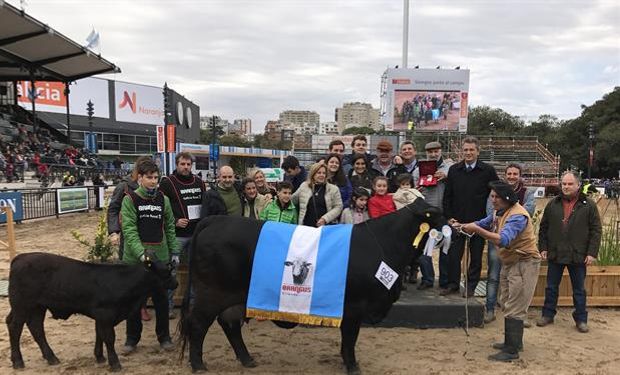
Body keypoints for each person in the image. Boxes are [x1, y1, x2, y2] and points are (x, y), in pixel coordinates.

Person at [459, 181, 541, 362]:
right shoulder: (499, 211)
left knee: (515, 304)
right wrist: (462, 225)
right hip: (511, 262)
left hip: (524, 263)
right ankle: (513, 342)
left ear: (506, 198)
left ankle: (511, 351)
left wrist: (476, 230)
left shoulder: (518, 216)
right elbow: (482, 223)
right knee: (506, 301)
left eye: (496, 197)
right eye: (492, 196)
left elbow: (503, 239)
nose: (493, 200)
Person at [120, 158, 178, 354]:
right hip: (136, 260)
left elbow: (170, 226)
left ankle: (164, 338)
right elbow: (129, 230)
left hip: (160, 258)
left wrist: (174, 251)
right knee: (134, 303)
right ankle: (131, 339)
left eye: (156, 177)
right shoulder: (130, 199)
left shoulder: (164, 199)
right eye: (149, 177)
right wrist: (141, 254)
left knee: (161, 301)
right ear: (140, 178)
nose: (153, 181)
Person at [536, 171, 602, 333]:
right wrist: (543, 247)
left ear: (578, 185)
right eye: (564, 183)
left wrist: (592, 253)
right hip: (556, 253)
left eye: (570, 184)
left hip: (578, 254)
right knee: (551, 287)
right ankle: (548, 314)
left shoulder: (589, 205)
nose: (566, 186)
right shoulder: (552, 204)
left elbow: (596, 230)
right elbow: (543, 228)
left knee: (579, 289)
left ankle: (581, 319)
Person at [441, 136, 499, 297]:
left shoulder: (488, 171)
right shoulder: (454, 170)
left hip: (479, 223)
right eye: (465, 149)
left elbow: (496, 194)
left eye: (471, 150)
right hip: (457, 221)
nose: (468, 153)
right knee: (453, 255)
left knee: (476, 256)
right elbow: (447, 196)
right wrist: (449, 217)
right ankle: (453, 284)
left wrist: (490, 217)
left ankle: (470, 286)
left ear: (478, 151)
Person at [485, 163, 536, 323]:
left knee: (519, 286)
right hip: (498, 241)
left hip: (518, 248)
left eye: (515, 174)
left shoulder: (526, 194)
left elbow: (528, 211)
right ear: (505, 175)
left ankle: (519, 317)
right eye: (509, 173)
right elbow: (491, 213)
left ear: (520, 175)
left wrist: (508, 209)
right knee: (495, 277)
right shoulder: (496, 193)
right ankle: (490, 309)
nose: (512, 176)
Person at [158, 152, 206, 319]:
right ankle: (168, 306)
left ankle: (192, 305)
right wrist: (175, 221)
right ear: (176, 164)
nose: (185, 167)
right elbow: (160, 207)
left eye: (188, 164)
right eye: (182, 164)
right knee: (171, 270)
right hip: (176, 235)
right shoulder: (167, 182)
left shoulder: (199, 182)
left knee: (196, 270)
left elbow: (204, 205)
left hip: (196, 234)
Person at [292, 162, 343, 227]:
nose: (322, 175)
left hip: (326, 227)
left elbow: (338, 207)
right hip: (306, 227)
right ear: (313, 174)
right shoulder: (304, 186)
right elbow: (292, 200)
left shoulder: (334, 189)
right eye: (319, 173)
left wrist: (325, 219)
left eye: (324, 173)